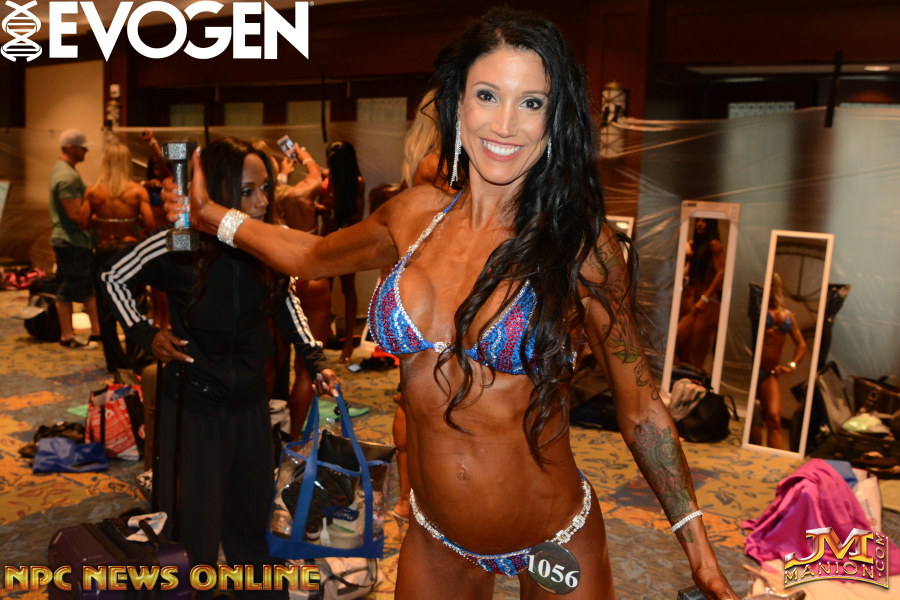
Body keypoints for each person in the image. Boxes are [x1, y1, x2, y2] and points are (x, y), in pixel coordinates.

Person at [169, 9, 736, 599]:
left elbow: (641, 409)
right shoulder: (412, 216)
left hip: (554, 538)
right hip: (437, 537)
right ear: (458, 103)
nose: (506, 124)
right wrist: (211, 216)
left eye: (531, 103)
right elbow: (310, 256)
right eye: (488, 95)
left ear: (554, 119)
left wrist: (698, 551)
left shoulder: (578, 244)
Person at [103, 137, 339, 596]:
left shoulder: (263, 243)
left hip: (249, 402)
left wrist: (314, 358)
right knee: (193, 527)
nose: (262, 202)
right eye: (248, 191)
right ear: (219, 192)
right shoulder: (180, 242)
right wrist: (145, 334)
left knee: (252, 518)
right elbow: (112, 276)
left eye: (265, 189)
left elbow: (284, 300)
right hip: (193, 405)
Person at [83, 143, 155, 372]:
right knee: (135, 304)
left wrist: (101, 220)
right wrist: (131, 221)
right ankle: (137, 359)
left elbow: (83, 222)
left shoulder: (93, 192)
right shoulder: (136, 192)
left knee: (105, 309)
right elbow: (150, 224)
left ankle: (115, 364)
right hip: (128, 252)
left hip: (104, 250)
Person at [49, 128, 100, 349]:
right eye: (82, 148)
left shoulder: (63, 170)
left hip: (68, 240)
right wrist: (102, 219)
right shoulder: (67, 177)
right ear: (71, 148)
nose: (85, 152)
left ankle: (69, 335)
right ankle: (85, 335)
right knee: (81, 289)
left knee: (68, 288)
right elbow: (75, 215)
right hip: (72, 241)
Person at [320, 140, 365, 365]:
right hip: (326, 241)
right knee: (323, 291)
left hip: (347, 242)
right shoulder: (326, 180)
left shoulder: (356, 182)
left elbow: (358, 216)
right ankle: (320, 339)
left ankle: (348, 345)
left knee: (348, 290)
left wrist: (338, 222)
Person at [751, 272, 807, 450]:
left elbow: (801, 345)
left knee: (774, 419)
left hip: (770, 373)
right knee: (753, 422)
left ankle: (775, 459)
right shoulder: (757, 311)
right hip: (753, 371)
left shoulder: (787, 315)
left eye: (772, 285)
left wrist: (791, 365)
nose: (768, 289)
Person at [675, 217, 725, 373]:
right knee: (679, 346)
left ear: (711, 224)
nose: (699, 224)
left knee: (695, 354)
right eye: (697, 220)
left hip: (707, 304)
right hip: (695, 301)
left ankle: (694, 383)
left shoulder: (714, 244)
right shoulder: (698, 245)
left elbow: (722, 273)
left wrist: (705, 298)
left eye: (704, 221)